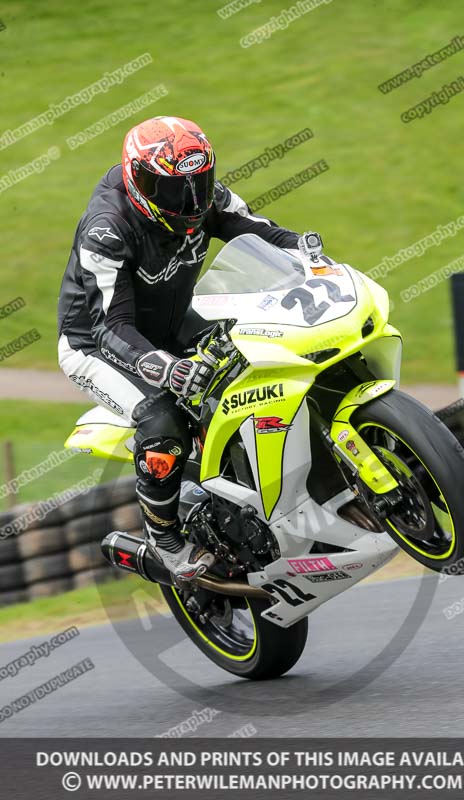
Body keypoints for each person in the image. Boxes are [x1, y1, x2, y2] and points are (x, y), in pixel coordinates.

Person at [58, 115, 320, 583]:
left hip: (176, 318)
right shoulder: (107, 229)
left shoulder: (206, 199)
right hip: (96, 344)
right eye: (176, 189)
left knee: (263, 352)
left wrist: (308, 252)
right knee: (162, 423)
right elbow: (108, 326)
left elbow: (261, 231)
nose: (192, 201)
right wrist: (164, 368)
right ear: (140, 182)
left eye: (199, 183)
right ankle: (167, 541)